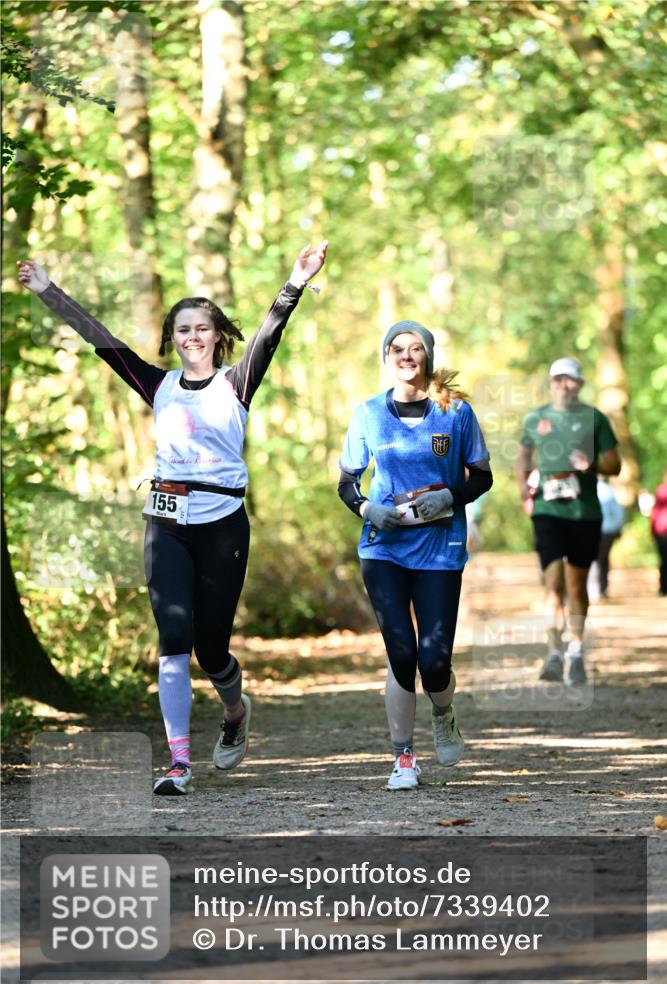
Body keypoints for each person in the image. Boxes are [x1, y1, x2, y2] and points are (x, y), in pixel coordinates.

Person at [18, 243, 328, 795]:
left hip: (223, 524)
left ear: (217, 336)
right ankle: (179, 764)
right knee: (173, 640)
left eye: (202, 328)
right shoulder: (156, 385)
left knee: (211, 649)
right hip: (165, 521)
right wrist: (48, 290)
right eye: (183, 328)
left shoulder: (236, 383)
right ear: (172, 336)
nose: (192, 336)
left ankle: (235, 711)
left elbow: (272, 329)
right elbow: (102, 341)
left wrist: (296, 280)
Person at [338, 321, 492, 791]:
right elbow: (347, 482)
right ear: (386, 356)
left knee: (434, 660)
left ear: (427, 356)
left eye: (416, 349)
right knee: (401, 651)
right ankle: (403, 758)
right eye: (397, 349)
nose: (407, 356)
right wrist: (368, 508)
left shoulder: (456, 412)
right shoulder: (367, 413)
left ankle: (443, 713)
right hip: (383, 548)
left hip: (440, 549)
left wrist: (450, 497)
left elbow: (482, 477)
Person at [515, 358, 621, 686]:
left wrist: (591, 466)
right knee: (552, 585)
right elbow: (522, 455)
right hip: (547, 510)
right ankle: (552, 652)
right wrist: (524, 491)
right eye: (558, 379)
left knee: (576, 585)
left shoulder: (595, 418)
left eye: (570, 380)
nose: (564, 385)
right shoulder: (536, 418)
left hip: (583, 512)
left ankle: (575, 648)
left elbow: (614, 464)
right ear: (551, 383)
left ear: (580, 384)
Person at [588, 478, 624, 601]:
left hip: (596, 529)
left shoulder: (588, 489)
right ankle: (602, 588)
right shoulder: (608, 490)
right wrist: (618, 528)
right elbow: (618, 512)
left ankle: (595, 588)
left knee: (594, 559)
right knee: (603, 559)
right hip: (608, 530)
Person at [647, 470, 667, 596]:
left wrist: (652, 530)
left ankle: (663, 587)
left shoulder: (661, 490)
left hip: (660, 531)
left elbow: (655, 513)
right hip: (661, 530)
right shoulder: (661, 491)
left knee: (664, 560)